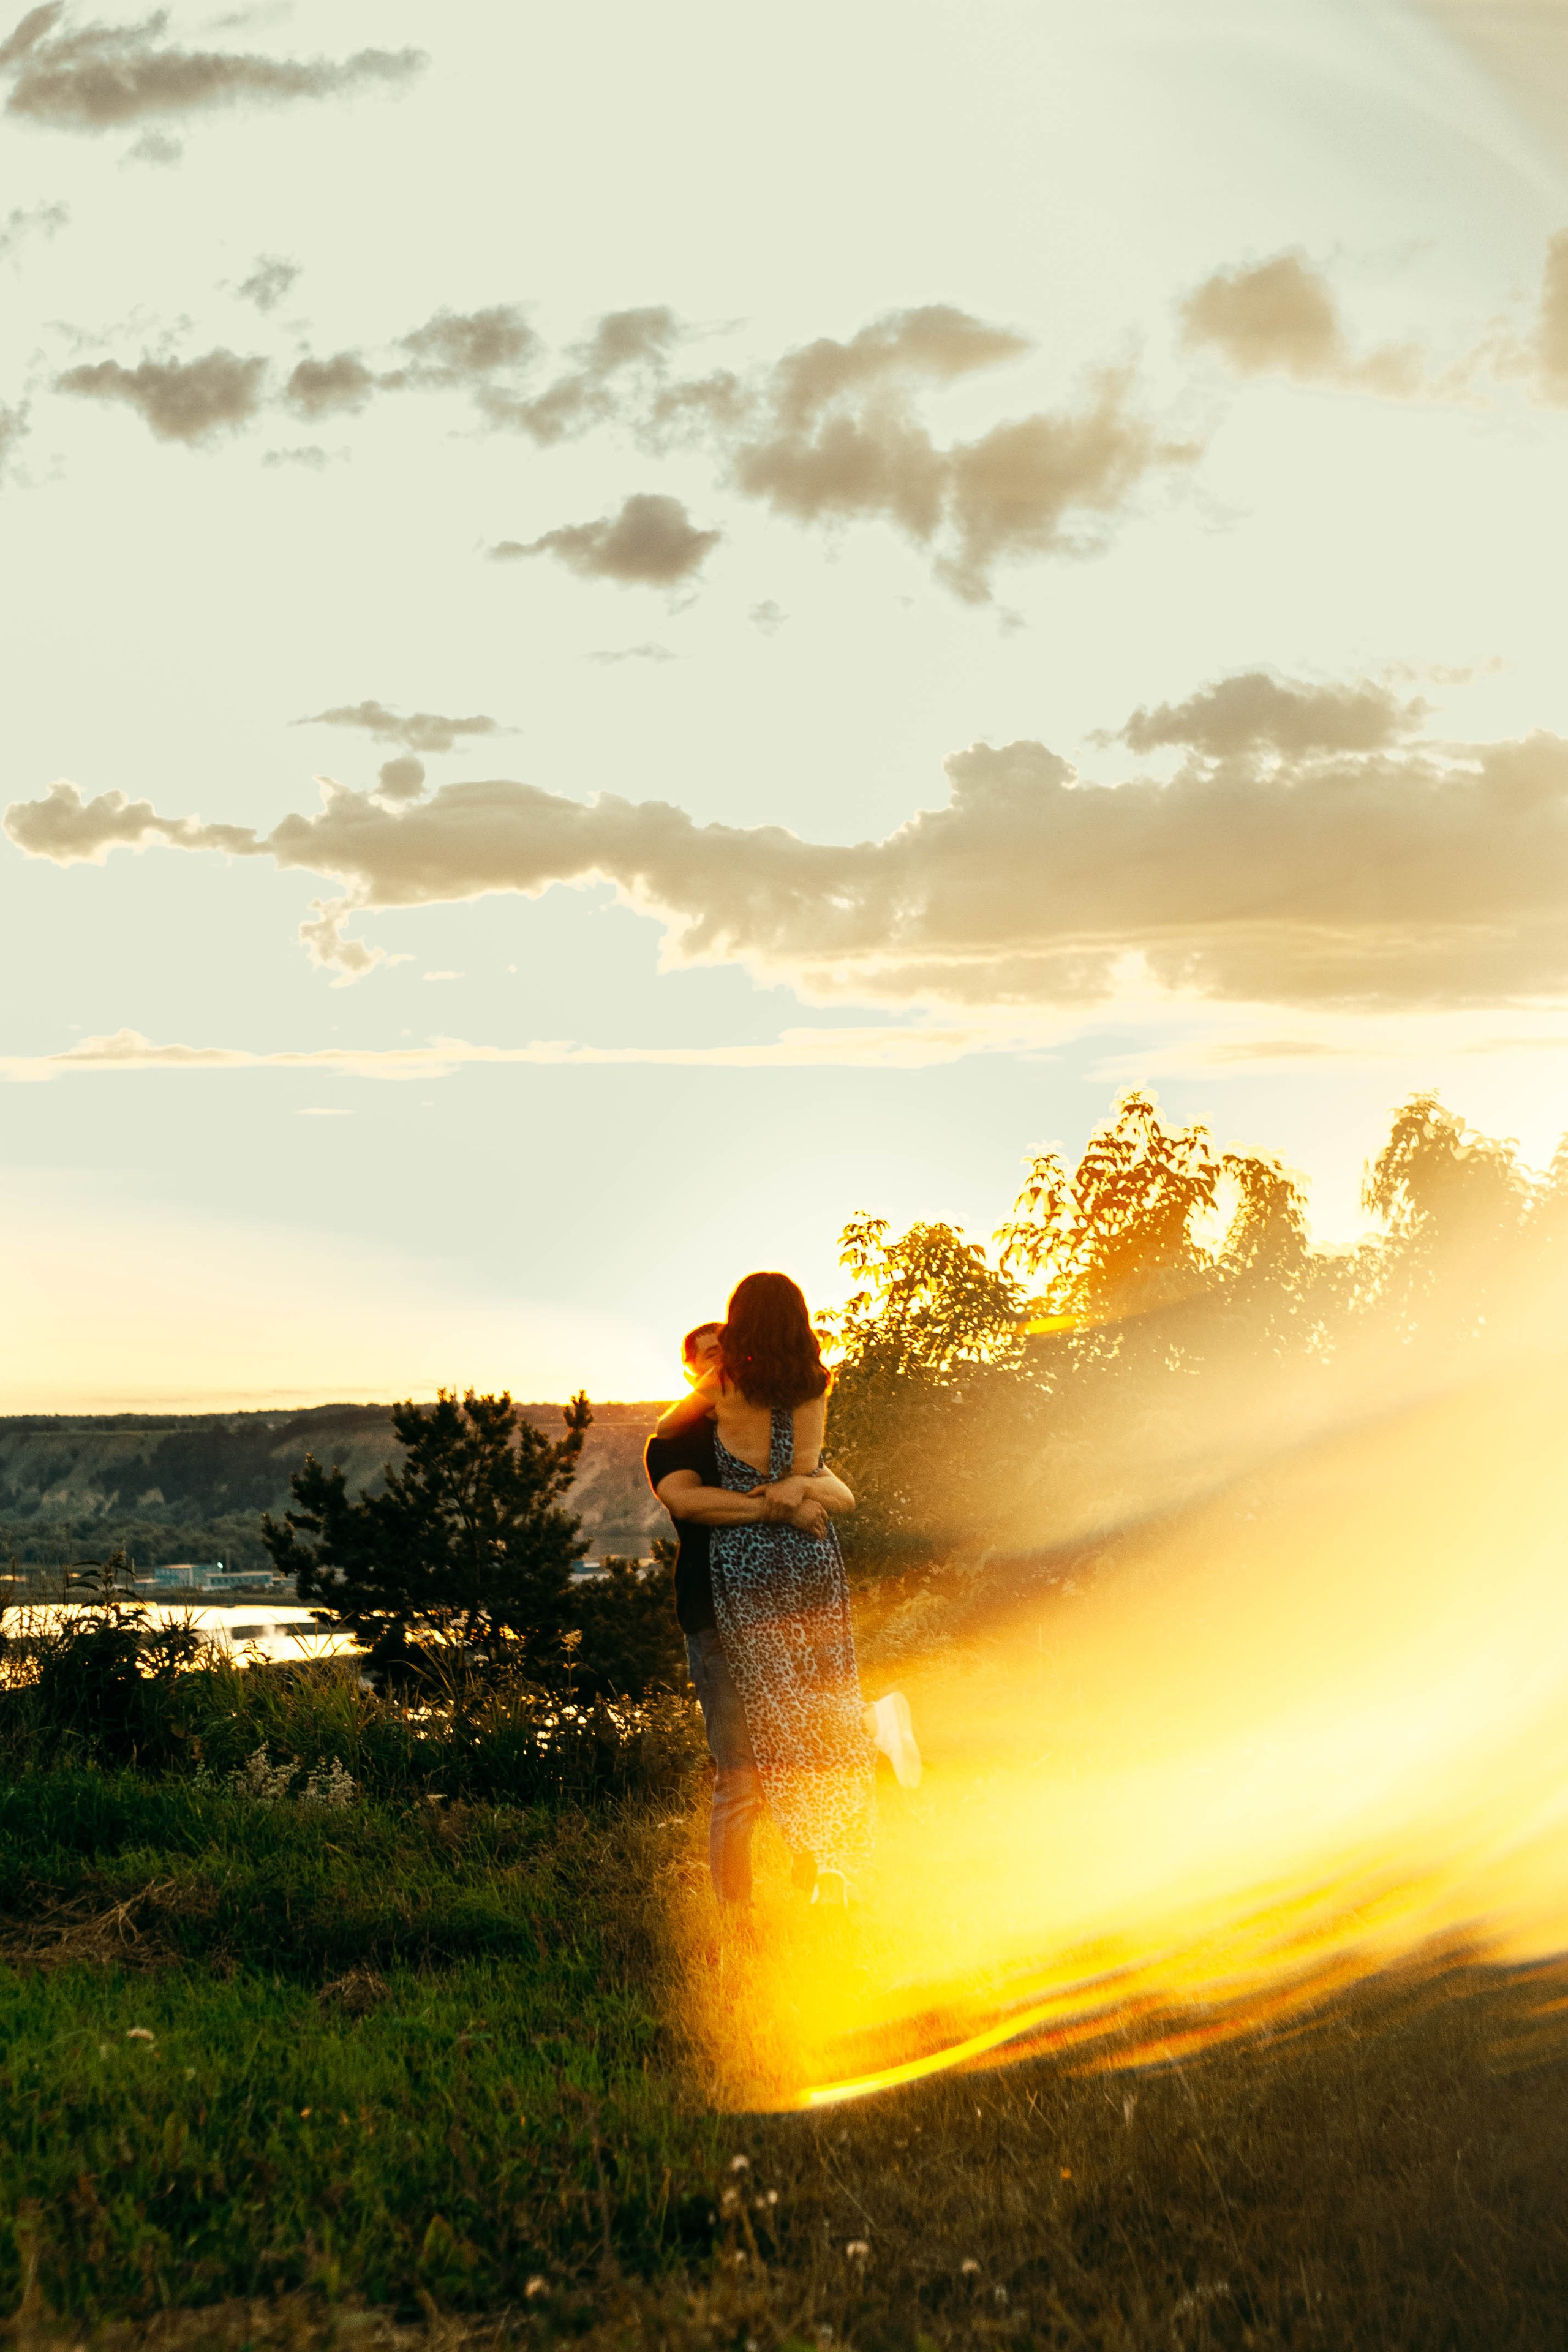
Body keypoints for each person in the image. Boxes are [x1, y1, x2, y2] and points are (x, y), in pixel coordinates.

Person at [646, 1278, 920, 1910]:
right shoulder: (815, 1385)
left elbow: (667, 1423)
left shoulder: (717, 1392)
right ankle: (868, 1729)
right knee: (816, 1694)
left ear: (737, 1329)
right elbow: (810, 1476)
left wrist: (762, 1496)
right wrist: (788, 1491)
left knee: (776, 1699)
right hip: (811, 1556)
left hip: (746, 1565)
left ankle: (795, 1876)